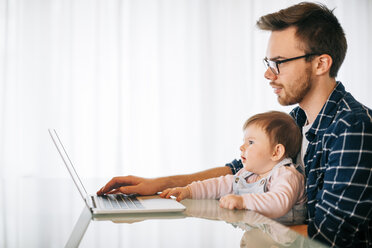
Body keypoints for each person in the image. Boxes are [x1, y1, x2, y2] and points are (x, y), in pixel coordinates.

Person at [97, 2, 372, 247]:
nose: (268, 73)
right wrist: (160, 184)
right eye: (269, 62)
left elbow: (331, 237)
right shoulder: (298, 120)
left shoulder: (351, 127)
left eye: (279, 63)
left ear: (321, 63)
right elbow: (240, 169)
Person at [160, 111, 306, 223]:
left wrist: (243, 202)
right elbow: (218, 185)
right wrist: (189, 190)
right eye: (244, 141)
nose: (242, 147)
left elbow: (278, 203)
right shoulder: (248, 174)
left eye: (251, 142)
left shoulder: (286, 175)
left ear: (276, 152)